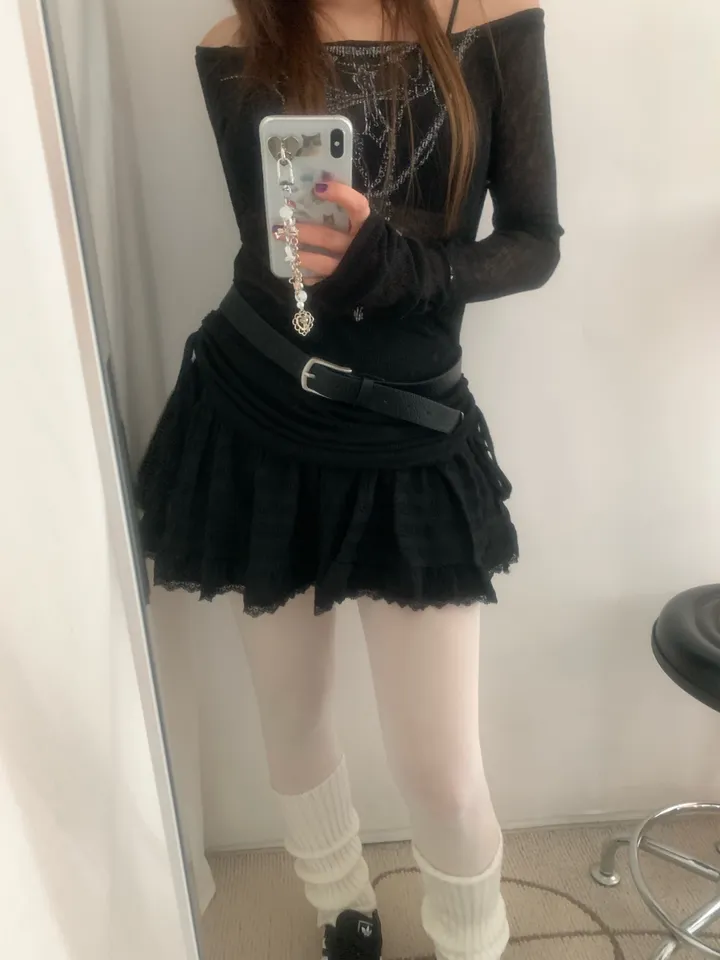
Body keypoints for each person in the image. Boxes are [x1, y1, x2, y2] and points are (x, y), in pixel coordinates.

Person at [137, 0, 562, 956]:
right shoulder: (238, 41)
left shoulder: (491, 20)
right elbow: (276, 252)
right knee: (292, 715)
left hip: (411, 439)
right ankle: (341, 909)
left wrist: (402, 268)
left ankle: (472, 941)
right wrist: (330, 256)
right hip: (258, 413)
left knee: (440, 768)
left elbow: (535, 241)